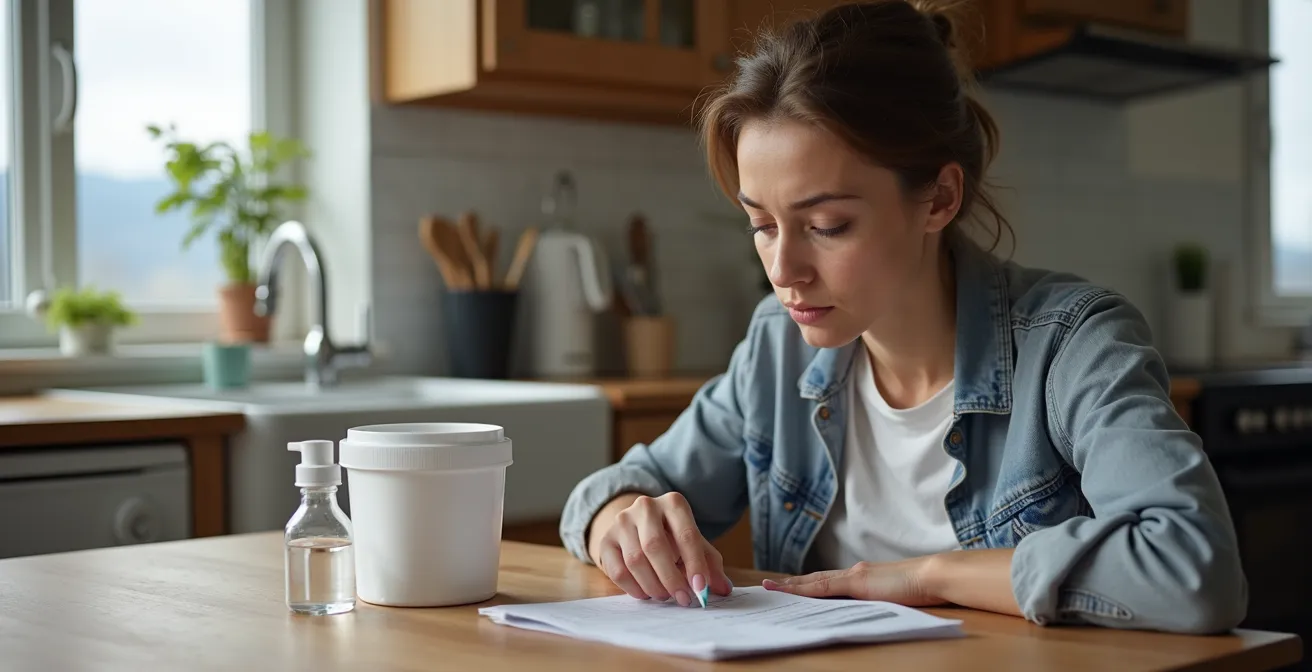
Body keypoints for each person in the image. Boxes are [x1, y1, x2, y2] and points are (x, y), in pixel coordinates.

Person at [558, 0, 1247, 634]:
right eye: (762, 225)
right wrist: (622, 520)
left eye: (826, 225)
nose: (783, 269)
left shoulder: (1072, 344)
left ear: (940, 198)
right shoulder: (778, 346)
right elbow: (612, 493)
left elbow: (1195, 569)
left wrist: (928, 575)